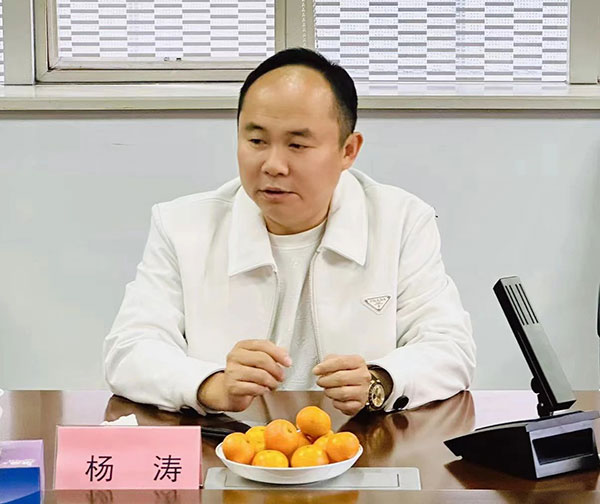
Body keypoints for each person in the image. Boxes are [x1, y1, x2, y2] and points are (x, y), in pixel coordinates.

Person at [104, 48, 476, 417]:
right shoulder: (183, 225)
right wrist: (209, 384)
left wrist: (380, 381)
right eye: (256, 141)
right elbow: (130, 349)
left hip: (357, 442)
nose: (273, 165)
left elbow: (449, 347)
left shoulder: (400, 221)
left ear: (348, 150)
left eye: (297, 145)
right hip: (228, 442)